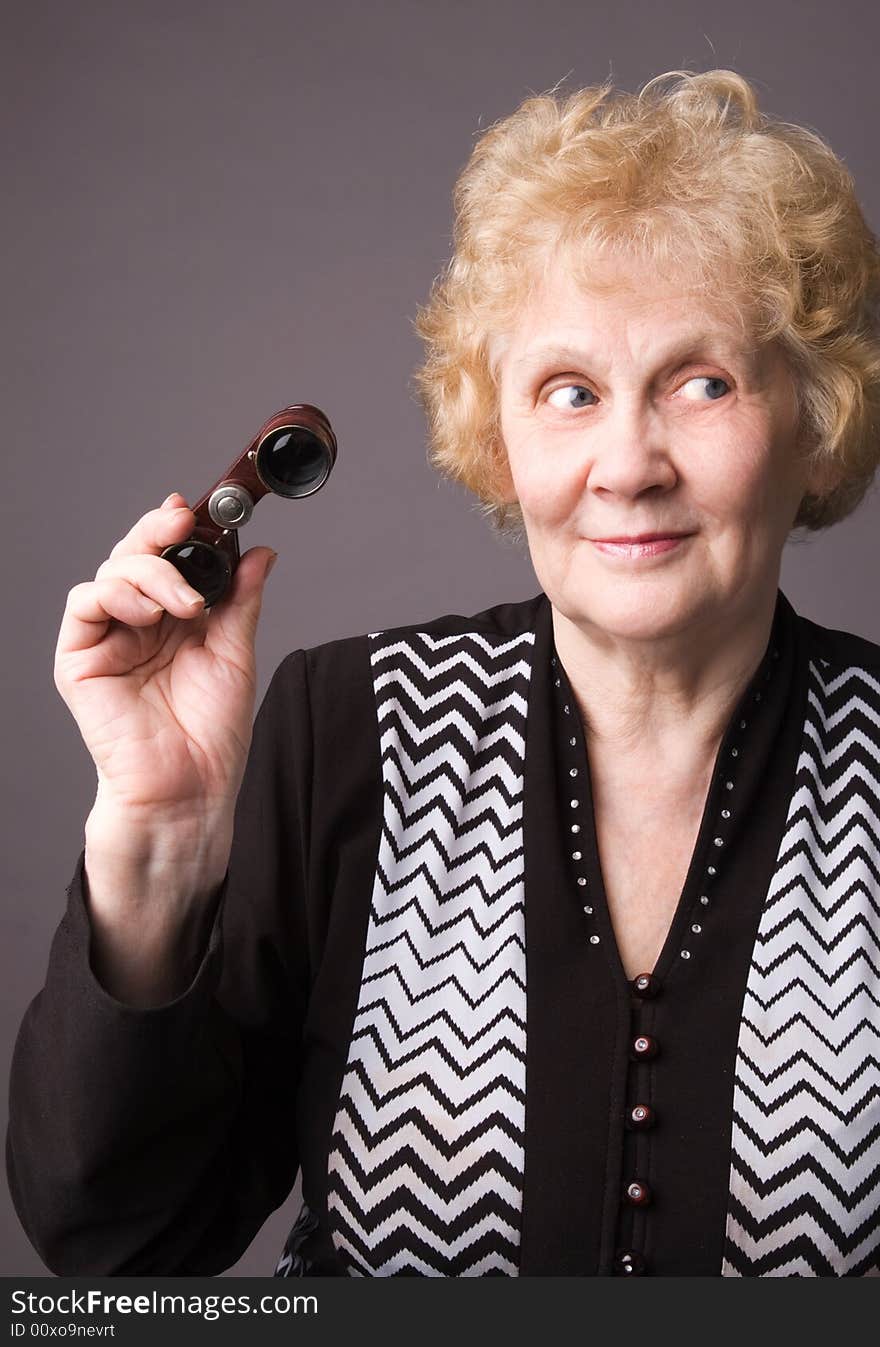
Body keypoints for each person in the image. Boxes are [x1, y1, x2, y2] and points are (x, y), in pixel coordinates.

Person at [7, 68, 880, 1278]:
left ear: (814, 415)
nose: (627, 464)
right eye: (567, 391)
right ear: (499, 438)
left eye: (702, 382)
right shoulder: (342, 729)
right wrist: (155, 838)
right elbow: (124, 1246)